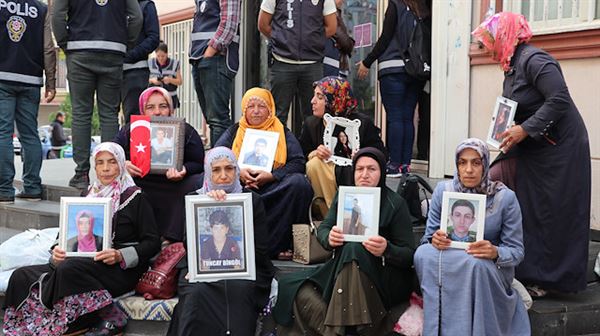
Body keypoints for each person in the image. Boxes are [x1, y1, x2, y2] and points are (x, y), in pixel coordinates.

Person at [473, 12, 591, 295]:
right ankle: (520, 267)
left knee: (552, 213)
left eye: (488, 42)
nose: (485, 50)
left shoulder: (535, 60)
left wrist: (524, 129)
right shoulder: (511, 65)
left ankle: (554, 281)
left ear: (504, 36)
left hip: (560, 148)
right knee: (517, 197)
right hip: (535, 146)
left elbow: (559, 98)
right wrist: (508, 130)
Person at [2, 142, 161, 336]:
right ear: (94, 167)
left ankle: (79, 321)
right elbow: (64, 236)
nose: (106, 169)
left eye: (112, 162)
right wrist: (57, 252)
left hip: (117, 269)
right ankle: (32, 324)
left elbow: (152, 243)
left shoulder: (135, 197)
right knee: (21, 275)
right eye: (100, 163)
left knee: (69, 268)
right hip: (79, 266)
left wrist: (120, 255)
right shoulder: (87, 195)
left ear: (121, 164)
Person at [272, 147, 415, 335]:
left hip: (381, 274)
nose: (364, 175)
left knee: (353, 250)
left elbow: (409, 254)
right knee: (291, 285)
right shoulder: (345, 196)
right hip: (341, 268)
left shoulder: (395, 203)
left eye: (371, 169)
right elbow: (324, 228)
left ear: (381, 172)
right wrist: (329, 237)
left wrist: (386, 249)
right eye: (359, 169)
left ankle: (333, 330)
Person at [414, 138, 530, 335]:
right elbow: (427, 238)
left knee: (476, 264)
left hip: (486, 267)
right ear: (457, 165)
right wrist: (435, 239)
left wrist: (495, 252)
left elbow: (517, 252)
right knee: (423, 254)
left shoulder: (505, 198)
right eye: (462, 162)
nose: (468, 169)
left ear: (485, 164)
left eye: (476, 163)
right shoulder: (444, 191)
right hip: (451, 259)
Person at [166, 146, 275, 336]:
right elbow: (189, 245)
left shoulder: (252, 200)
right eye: (216, 170)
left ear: (237, 170)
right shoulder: (195, 200)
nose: (223, 175)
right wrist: (209, 204)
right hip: (201, 268)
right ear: (208, 172)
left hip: (247, 268)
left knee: (239, 289)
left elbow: (260, 249)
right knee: (196, 294)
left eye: (229, 168)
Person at [52, 0, 143, 189]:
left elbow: (58, 16)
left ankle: (81, 173)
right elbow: (136, 17)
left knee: (81, 114)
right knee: (109, 113)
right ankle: (112, 170)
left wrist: (65, 44)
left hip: (79, 50)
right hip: (113, 51)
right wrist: (125, 44)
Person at [215, 88, 313, 259]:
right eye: (250, 106)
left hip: (273, 187)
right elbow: (215, 158)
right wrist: (237, 173)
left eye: (261, 106)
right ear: (244, 110)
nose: (256, 111)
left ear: (270, 109)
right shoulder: (235, 131)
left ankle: (281, 244)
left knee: (299, 184)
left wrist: (273, 175)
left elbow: (298, 162)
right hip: (242, 187)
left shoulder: (281, 131)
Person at [114, 87, 205, 242]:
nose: (157, 112)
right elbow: (111, 153)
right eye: (150, 107)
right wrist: (124, 164)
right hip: (140, 182)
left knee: (198, 181)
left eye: (163, 106)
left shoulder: (185, 130)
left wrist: (184, 169)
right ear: (142, 110)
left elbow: (199, 163)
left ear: (171, 109)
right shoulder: (130, 129)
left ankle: (171, 240)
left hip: (175, 183)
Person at [357, 0, 429, 176]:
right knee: (407, 117)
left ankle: (394, 164)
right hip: (415, 70)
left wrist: (367, 62)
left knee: (395, 117)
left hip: (392, 68)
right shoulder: (422, 8)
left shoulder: (395, 4)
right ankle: (405, 164)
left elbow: (386, 37)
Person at [299, 76, 386, 208]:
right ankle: (328, 215)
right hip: (324, 180)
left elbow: (382, 155)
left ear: (334, 99)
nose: (312, 101)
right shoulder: (311, 124)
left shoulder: (361, 123)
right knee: (314, 164)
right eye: (314, 96)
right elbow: (300, 157)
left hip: (354, 175)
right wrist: (315, 153)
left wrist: (363, 155)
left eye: (320, 97)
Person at [0, 0, 56, 203]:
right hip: (31, 79)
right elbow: (49, 48)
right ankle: (32, 187)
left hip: (3, 76)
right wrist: (51, 82)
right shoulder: (41, 9)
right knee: (30, 134)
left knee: (3, 133)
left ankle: (4, 190)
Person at [258, 0, 337, 133]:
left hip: (312, 63)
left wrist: (313, 40)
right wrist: (281, 39)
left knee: (314, 116)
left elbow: (332, 27)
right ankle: (278, 152)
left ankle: (312, 152)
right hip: (282, 62)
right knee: (278, 115)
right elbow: (263, 24)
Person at [190, 0, 241, 147]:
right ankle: (217, 163)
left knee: (218, 120)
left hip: (215, 57)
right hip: (200, 57)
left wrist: (210, 51)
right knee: (213, 120)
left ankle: (220, 164)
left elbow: (229, 23)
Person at [121, 0, 160, 121]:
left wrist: (129, 55)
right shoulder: (116, 5)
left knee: (135, 118)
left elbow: (153, 38)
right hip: (111, 70)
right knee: (109, 117)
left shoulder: (145, 5)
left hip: (135, 72)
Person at [323, 0, 355, 78]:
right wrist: (350, 43)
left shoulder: (336, 13)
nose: (343, 1)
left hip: (336, 64)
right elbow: (344, 41)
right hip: (332, 64)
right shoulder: (332, 14)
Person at [149, 42, 182, 110]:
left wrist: (170, 80)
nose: (160, 58)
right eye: (158, 56)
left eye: (163, 56)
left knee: (169, 119)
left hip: (170, 97)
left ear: (167, 54)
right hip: (154, 98)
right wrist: (152, 80)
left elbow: (180, 81)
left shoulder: (174, 64)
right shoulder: (150, 63)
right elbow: (144, 79)